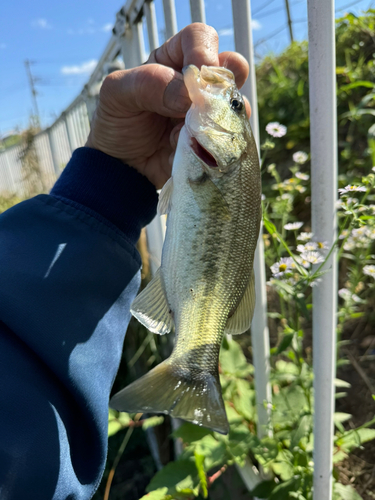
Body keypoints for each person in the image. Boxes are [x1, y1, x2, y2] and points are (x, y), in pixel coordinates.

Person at [0, 24, 250, 499]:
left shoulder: (209, 158)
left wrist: (110, 180)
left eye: (234, 107)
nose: (228, 100)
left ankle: (193, 367)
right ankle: (193, 367)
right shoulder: (211, 158)